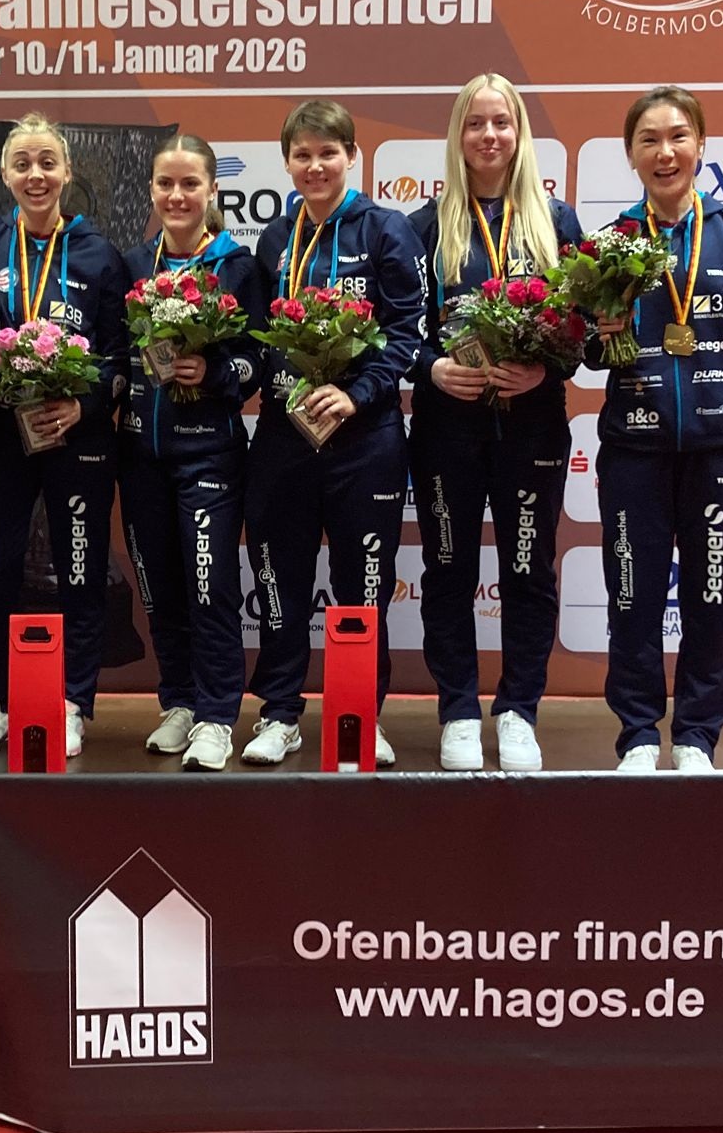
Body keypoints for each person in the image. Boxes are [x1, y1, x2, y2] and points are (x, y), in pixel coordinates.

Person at [589, 85, 723, 773]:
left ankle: (696, 736)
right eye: (649, 140)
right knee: (633, 596)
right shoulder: (611, 242)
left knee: (713, 595)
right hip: (636, 448)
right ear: (630, 154)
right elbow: (588, 352)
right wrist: (604, 330)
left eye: (678, 136)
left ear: (702, 146)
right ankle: (635, 735)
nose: (665, 152)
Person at [0, 112, 131, 759]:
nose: (36, 175)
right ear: (4, 174)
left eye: (48, 162)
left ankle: (73, 703)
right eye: (22, 164)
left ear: (67, 171)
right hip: (2, 436)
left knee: (80, 571)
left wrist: (84, 404)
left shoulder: (100, 253)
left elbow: (121, 357)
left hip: (79, 438)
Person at [242, 99, 424, 767]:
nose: (315, 166)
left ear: (352, 155)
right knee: (279, 582)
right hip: (285, 437)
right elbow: (261, 337)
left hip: (365, 440)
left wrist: (356, 394)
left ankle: (358, 713)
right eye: (302, 155)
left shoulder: (386, 229)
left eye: (328, 153)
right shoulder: (275, 238)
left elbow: (406, 331)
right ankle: (280, 713)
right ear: (287, 162)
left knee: (364, 585)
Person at [408, 74, 582, 773]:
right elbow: (400, 330)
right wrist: (431, 370)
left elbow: (580, 335)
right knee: (448, 570)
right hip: (447, 431)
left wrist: (545, 370)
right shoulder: (425, 226)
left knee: (528, 572)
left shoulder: (556, 223)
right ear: (458, 135)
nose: (489, 135)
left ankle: (517, 711)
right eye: (475, 123)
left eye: (501, 122)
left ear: (519, 132)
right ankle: (457, 709)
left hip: (532, 428)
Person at [120, 134, 269, 772]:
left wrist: (212, 372)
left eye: (190, 184)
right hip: (140, 455)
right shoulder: (134, 262)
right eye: (165, 184)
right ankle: (179, 702)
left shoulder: (237, 267)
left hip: (209, 454)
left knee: (210, 587)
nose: (177, 196)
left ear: (212, 190)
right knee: (160, 590)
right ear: (152, 190)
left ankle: (216, 714)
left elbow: (260, 359)